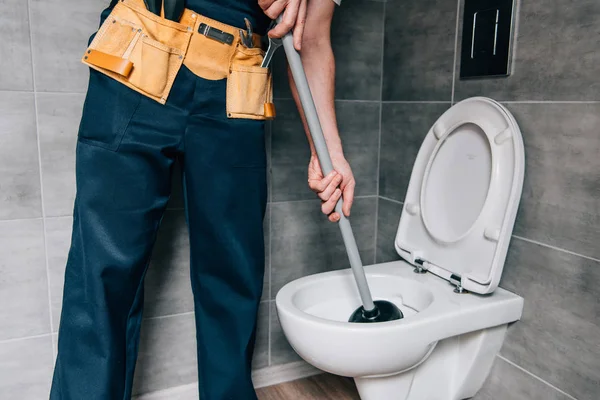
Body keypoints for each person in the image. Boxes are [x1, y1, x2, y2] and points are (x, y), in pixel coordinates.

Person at [50, 0, 355, 399]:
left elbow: (311, 39)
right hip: (140, 55)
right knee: (104, 276)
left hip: (238, 81)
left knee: (233, 275)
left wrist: (328, 153)